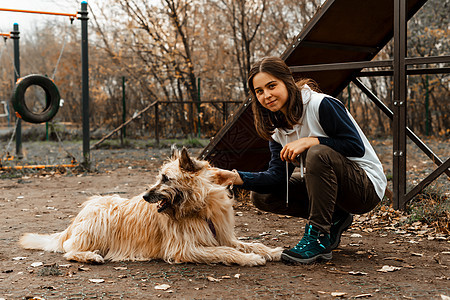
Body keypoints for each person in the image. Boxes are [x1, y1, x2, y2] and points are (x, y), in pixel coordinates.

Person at [212, 56, 387, 264]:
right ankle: (335, 217)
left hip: (365, 188)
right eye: (259, 91)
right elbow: (277, 177)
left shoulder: (321, 105)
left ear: (287, 81)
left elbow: (355, 147)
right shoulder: (278, 130)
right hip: (335, 191)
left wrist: (311, 141)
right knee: (262, 197)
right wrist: (235, 177)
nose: (266, 95)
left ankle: (318, 237)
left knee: (317, 153)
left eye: (271, 86)